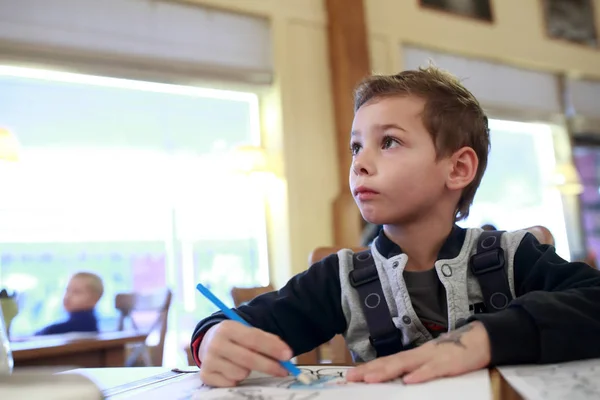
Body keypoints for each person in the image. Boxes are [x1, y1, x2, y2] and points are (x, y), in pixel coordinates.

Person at [190, 66, 600, 387]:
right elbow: (231, 326)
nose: (359, 163)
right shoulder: (338, 278)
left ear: (458, 168)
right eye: (356, 146)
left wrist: (486, 338)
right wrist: (210, 340)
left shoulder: (514, 257)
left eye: (388, 142)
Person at [36, 272, 103, 335]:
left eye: (76, 292)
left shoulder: (55, 331)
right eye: (67, 290)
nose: (68, 296)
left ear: (95, 299)